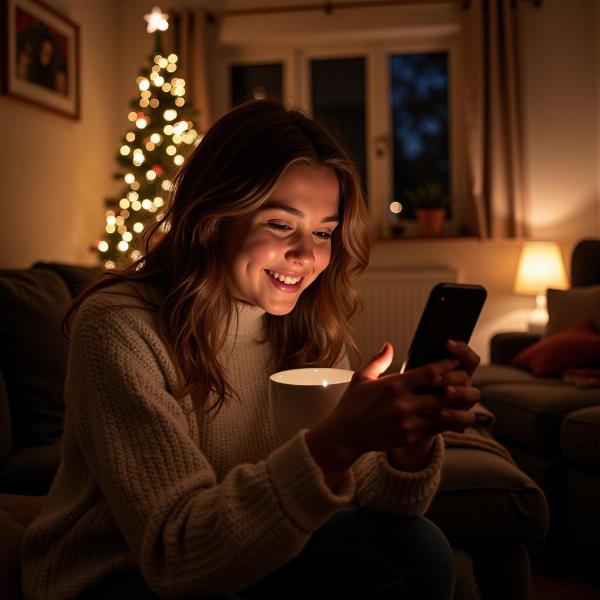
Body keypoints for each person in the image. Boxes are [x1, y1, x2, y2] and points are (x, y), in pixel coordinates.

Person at [20, 99, 480, 599]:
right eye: (281, 225)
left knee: (415, 547)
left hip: (248, 557)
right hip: (120, 576)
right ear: (216, 216)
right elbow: (177, 556)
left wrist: (405, 445)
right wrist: (336, 440)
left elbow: (383, 501)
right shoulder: (119, 325)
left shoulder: (308, 327)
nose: (307, 256)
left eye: (324, 232)